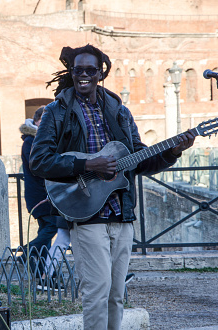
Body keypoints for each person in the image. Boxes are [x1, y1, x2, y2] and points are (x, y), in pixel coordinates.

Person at [29, 44, 196, 329]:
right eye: (78, 70)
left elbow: (140, 161)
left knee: (116, 296)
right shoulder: (56, 112)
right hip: (87, 214)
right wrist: (87, 166)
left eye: (90, 70)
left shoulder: (119, 111)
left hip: (121, 215)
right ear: (72, 72)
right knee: (97, 293)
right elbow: (39, 160)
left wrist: (173, 152)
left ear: (100, 73)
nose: (83, 75)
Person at [19, 106, 57, 277]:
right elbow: (38, 167)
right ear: (36, 121)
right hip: (39, 194)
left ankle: (42, 272)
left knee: (45, 231)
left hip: (46, 192)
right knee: (52, 226)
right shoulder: (30, 141)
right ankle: (27, 252)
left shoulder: (41, 139)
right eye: (43, 120)